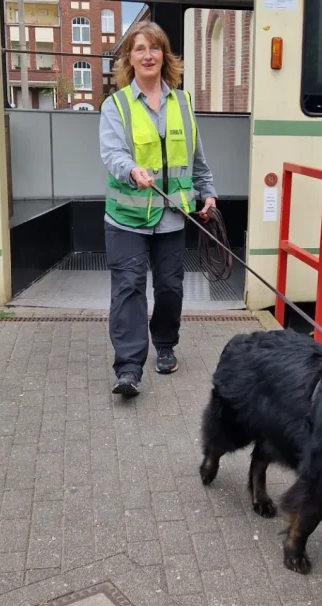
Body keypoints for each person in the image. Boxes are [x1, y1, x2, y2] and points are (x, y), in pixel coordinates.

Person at [99, 20, 218, 397]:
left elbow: (196, 159)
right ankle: (129, 369)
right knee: (130, 288)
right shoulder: (115, 104)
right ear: (129, 59)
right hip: (127, 218)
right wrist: (132, 170)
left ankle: (165, 345)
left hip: (172, 216)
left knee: (169, 288)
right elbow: (113, 154)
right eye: (139, 49)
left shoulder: (182, 102)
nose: (148, 55)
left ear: (164, 56)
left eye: (155, 48)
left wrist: (208, 193)